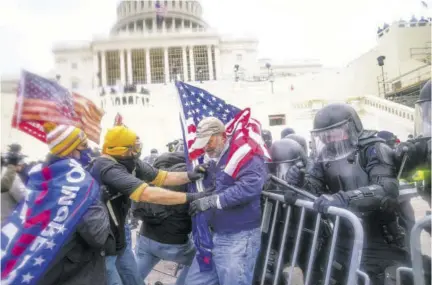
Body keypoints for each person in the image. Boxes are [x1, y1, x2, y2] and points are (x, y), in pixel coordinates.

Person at [284, 103, 408, 285]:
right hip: (342, 235)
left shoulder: (373, 148)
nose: (330, 139)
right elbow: (314, 188)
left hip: (381, 236)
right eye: (325, 135)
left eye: (335, 132)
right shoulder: (324, 155)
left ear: (352, 127)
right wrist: (300, 182)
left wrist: (343, 199)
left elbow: (386, 189)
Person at [89, 126, 208, 285]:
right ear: (120, 150)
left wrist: (189, 176)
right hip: (103, 238)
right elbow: (146, 193)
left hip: (120, 234)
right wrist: (191, 197)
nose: (137, 151)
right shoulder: (107, 167)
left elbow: (160, 177)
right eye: (134, 147)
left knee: (134, 279)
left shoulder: (130, 162)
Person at [1, 123, 113, 285]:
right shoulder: (81, 185)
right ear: (69, 149)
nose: (88, 150)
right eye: (84, 146)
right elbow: (99, 236)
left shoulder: (41, 176)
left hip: (44, 266)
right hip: (74, 272)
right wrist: (97, 196)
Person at [184, 117, 266, 285]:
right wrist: (202, 176)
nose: (206, 148)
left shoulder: (245, 154)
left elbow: (249, 187)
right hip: (215, 235)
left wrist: (212, 201)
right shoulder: (218, 159)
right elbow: (219, 187)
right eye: (203, 143)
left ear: (223, 136)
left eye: (209, 142)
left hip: (238, 236)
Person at [134, 151, 195, 285]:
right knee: (201, 263)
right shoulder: (188, 178)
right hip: (175, 244)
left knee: (132, 276)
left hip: (145, 239)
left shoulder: (152, 174)